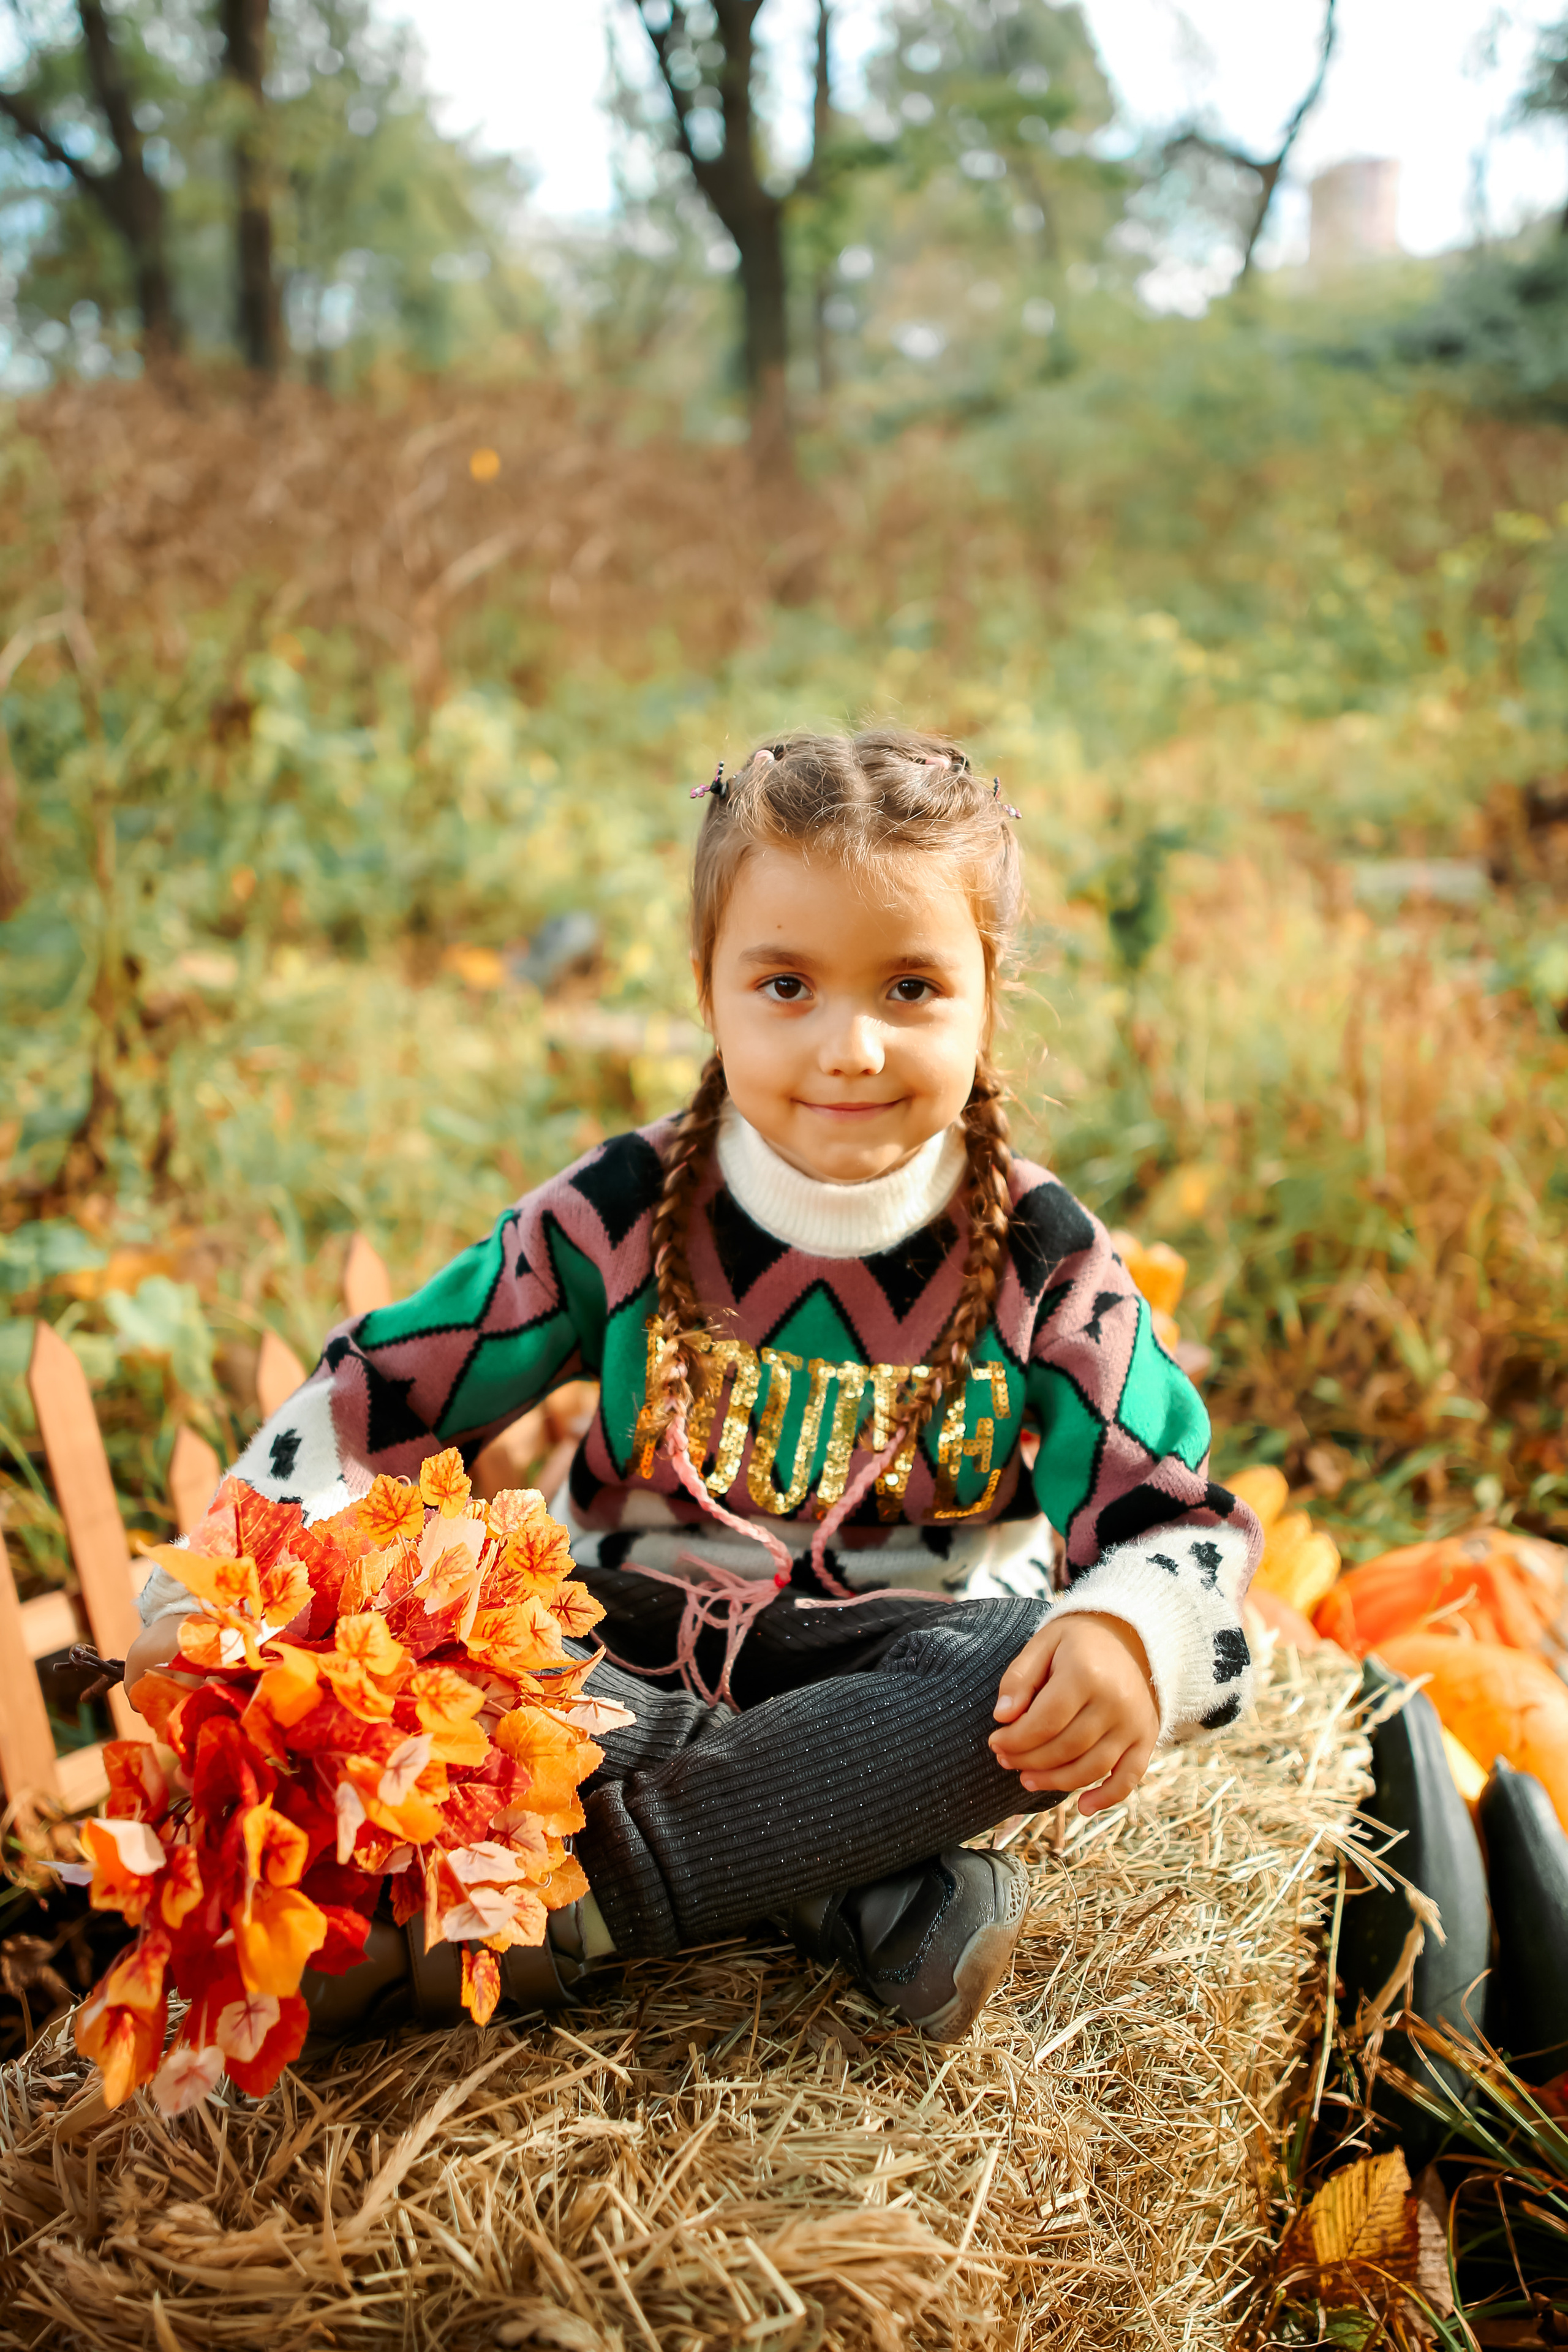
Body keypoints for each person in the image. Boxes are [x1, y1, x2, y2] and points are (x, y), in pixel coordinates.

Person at [124, 729, 1261, 2043]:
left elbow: (1176, 1530)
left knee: (1024, 1661)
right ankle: (836, 1879)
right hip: (613, 1662)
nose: (847, 1047)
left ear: (985, 997)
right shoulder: (620, 1209)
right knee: (442, 1634)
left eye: (908, 988)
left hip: (896, 1684)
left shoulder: (1041, 1259)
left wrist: (1133, 1642)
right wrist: (226, 1580)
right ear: (707, 988)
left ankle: (586, 1900)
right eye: (785, 985)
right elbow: (382, 1390)